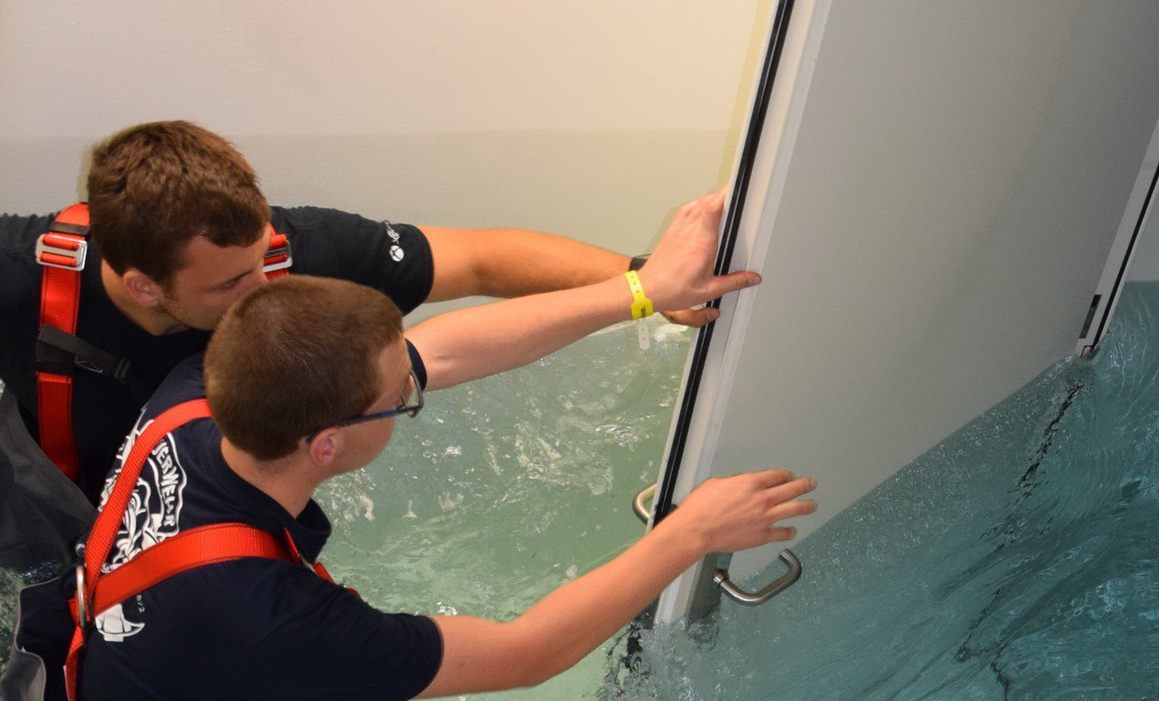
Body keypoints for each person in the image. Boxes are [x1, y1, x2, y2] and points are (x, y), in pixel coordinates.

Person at [0, 191, 816, 701]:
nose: (412, 395)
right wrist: (691, 534)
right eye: (400, 402)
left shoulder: (200, 395)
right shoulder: (271, 618)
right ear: (326, 443)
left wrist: (640, 291)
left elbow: (448, 350)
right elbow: (527, 651)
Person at [0, 119, 699, 566]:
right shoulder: (21, 276)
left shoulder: (286, 250)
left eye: (261, 258)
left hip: (220, 531)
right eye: (228, 285)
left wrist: (646, 281)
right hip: (54, 521)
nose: (262, 289)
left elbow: (480, 260)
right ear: (143, 284)